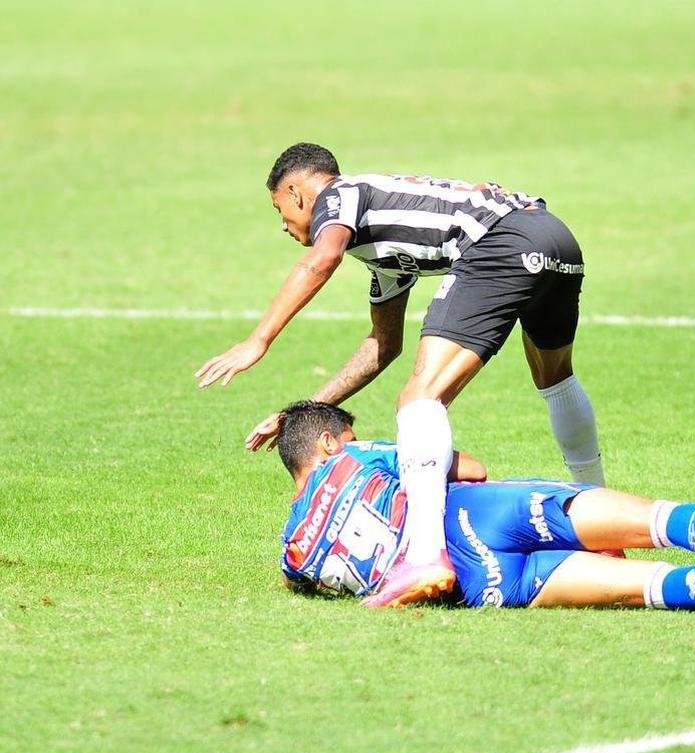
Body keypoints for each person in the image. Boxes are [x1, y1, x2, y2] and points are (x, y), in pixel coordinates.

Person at [196, 143, 605, 605]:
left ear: (295, 193)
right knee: (555, 381)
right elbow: (381, 346)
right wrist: (302, 414)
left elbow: (321, 260)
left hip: (500, 241)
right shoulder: (384, 247)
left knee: (419, 402)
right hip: (552, 237)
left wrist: (259, 339)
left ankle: (424, 557)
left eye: (280, 211)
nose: (284, 227)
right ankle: (605, 532)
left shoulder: (338, 194)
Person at [276, 401, 695, 611]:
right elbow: (469, 469)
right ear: (329, 443)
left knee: (646, 585)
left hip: (484, 584)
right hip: (480, 513)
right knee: (658, 521)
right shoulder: (352, 458)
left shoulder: (293, 553)